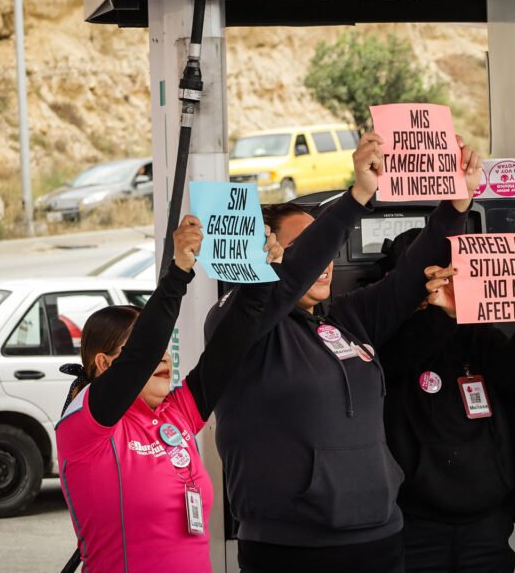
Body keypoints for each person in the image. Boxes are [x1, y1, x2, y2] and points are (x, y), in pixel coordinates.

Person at [206, 133, 483, 573]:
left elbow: (410, 276)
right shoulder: (235, 322)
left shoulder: (346, 319)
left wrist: (456, 206)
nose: (327, 261)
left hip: (380, 537)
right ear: (269, 254)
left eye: (328, 250)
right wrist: (357, 197)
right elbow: (292, 273)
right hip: (290, 549)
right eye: (311, 248)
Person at [56, 214, 282, 572]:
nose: (163, 355)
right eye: (136, 349)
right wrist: (179, 271)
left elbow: (228, 351)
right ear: (103, 363)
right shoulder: (86, 421)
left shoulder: (176, 412)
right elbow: (143, 353)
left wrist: (261, 277)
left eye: (165, 349)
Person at [377, 229, 515, 573]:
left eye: (450, 273)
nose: (443, 284)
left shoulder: (478, 335)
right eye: (430, 276)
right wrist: (442, 314)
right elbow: (400, 355)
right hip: (412, 526)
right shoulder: (379, 334)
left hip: (485, 525)